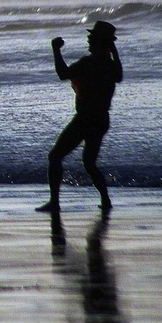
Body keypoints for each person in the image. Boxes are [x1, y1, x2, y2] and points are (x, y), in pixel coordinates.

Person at [37, 20, 122, 212]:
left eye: (92, 38)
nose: (89, 40)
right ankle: (106, 200)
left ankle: (55, 202)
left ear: (100, 42)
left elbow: (62, 73)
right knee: (90, 163)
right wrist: (114, 50)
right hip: (101, 119)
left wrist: (56, 50)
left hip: (85, 119)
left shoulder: (89, 63)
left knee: (55, 156)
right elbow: (119, 75)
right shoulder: (110, 65)